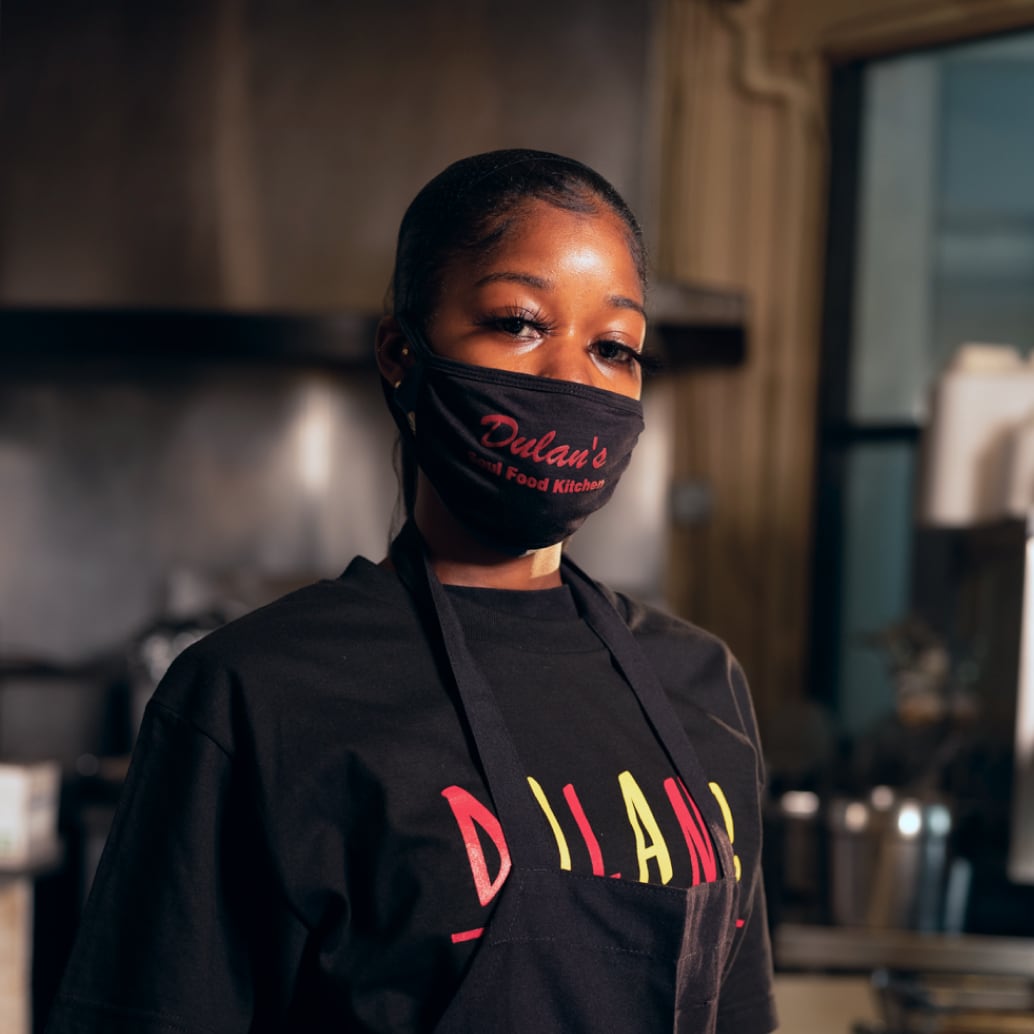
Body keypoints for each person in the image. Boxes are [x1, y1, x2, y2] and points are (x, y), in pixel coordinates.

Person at [46, 149, 777, 1033]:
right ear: (401, 351)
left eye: (614, 346)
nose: (573, 381)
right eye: (519, 323)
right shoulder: (255, 694)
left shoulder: (700, 685)